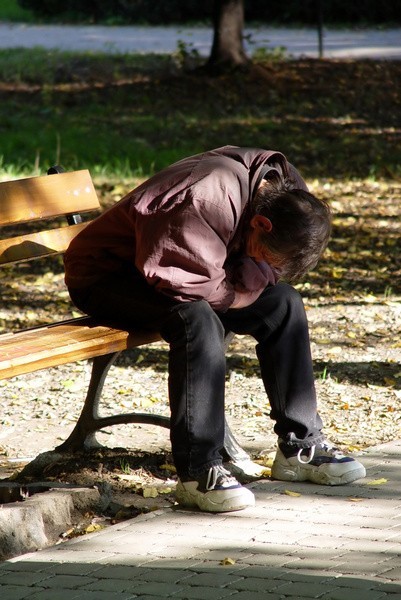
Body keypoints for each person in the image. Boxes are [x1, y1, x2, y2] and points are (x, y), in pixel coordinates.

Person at [64, 145, 366, 513]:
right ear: (260, 223)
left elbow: (264, 272)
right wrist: (239, 291)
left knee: (284, 303)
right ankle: (198, 471)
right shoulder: (203, 197)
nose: (269, 268)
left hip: (190, 267)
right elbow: (184, 282)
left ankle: (299, 446)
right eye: (267, 257)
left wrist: (258, 276)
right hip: (109, 276)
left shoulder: (289, 195)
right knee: (196, 318)